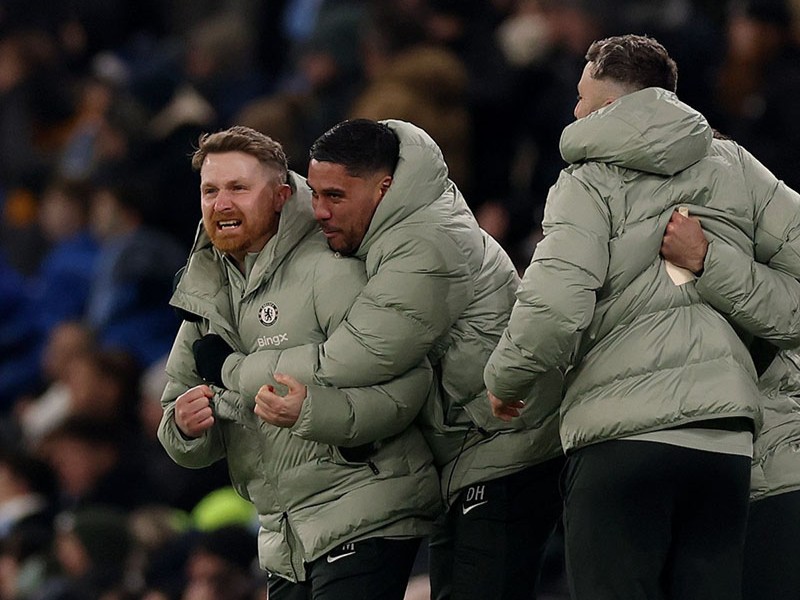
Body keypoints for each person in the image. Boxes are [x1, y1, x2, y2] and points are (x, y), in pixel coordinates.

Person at [483, 34, 800, 600]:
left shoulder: (583, 182)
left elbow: (554, 308)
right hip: (726, 446)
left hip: (620, 439)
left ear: (611, 107)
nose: (573, 112)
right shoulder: (738, 168)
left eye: (581, 99)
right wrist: (716, 264)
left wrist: (507, 379)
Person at [203, 118, 565, 599]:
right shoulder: (388, 230)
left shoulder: (425, 242)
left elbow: (357, 356)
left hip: (504, 447)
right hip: (467, 450)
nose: (319, 211)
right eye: (315, 194)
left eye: (335, 196)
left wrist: (232, 370)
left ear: (384, 188)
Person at [157, 126, 440, 600]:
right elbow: (175, 419)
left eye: (238, 188)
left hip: (363, 511)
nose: (221, 203)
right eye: (210, 190)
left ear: (281, 196)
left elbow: (407, 385)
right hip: (284, 540)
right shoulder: (204, 294)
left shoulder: (329, 270)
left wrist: (308, 411)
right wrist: (186, 427)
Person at [659, 212, 800, 600]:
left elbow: (789, 318)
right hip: (706, 482)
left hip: (770, 473)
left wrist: (706, 257)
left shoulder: (760, 207)